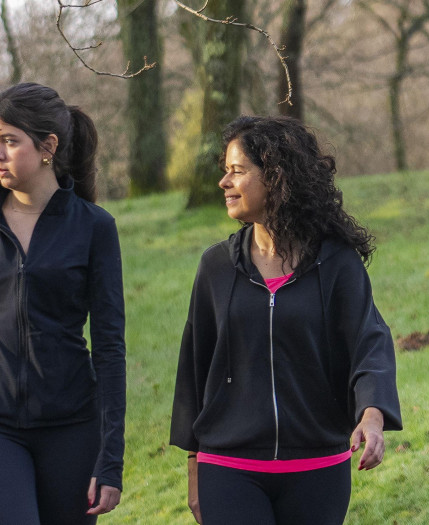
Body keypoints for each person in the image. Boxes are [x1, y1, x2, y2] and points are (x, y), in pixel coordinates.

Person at [169, 115, 403, 525]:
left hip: (318, 469)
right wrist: (194, 471)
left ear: (276, 178)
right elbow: (194, 371)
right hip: (227, 468)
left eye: (237, 171)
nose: (224, 183)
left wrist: (372, 415)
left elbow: (369, 342)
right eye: (225, 171)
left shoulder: (335, 264)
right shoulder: (216, 268)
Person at [0, 82, 127, 525]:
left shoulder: (94, 228)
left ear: (47, 147)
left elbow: (110, 347)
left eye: (10, 142)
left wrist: (110, 456)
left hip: (72, 427)